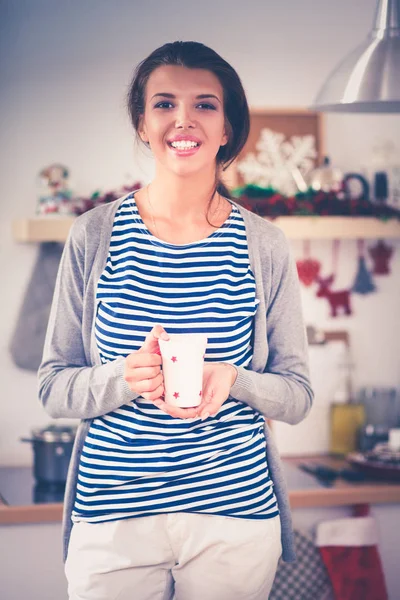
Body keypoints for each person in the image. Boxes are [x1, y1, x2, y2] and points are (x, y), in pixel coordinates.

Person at [38, 40, 313, 600]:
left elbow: (298, 395)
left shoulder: (264, 245)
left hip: (234, 521)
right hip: (112, 518)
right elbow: (52, 388)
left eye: (205, 105)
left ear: (228, 127)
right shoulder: (93, 235)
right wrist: (123, 377)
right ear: (142, 123)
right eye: (164, 104)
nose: (183, 120)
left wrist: (233, 379)